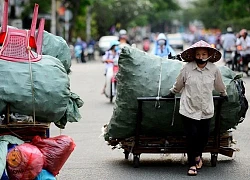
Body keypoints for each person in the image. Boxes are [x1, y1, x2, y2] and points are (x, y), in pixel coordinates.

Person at [165, 40, 228, 176]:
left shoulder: (213, 69)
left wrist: (224, 94)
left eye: (204, 54)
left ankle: (198, 155)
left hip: (206, 109)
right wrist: (172, 92)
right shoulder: (187, 68)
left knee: (204, 136)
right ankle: (192, 164)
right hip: (188, 108)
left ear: (209, 55)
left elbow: (219, 85)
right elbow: (179, 83)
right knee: (191, 136)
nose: (201, 57)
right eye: (198, 54)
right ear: (194, 55)